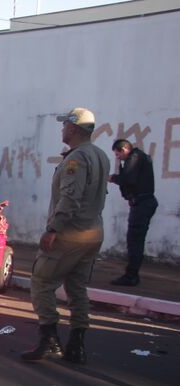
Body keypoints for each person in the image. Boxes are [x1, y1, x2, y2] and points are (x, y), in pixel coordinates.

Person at [23, 107, 109, 365]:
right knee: (77, 287)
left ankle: (49, 339)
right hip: (93, 231)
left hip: (71, 233)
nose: (62, 129)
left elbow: (71, 198)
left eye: (64, 126)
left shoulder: (76, 159)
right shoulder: (100, 155)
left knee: (41, 281)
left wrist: (53, 230)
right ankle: (76, 344)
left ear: (73, 128)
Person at [108, 139, 158, 286]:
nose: (118, 158)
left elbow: (129, 179)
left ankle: (131, 276)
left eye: (118, 155)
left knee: (134, 240)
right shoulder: (140, 157)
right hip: (144, 203)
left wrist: (113, 178)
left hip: (142, 203)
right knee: (136, 240)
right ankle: (132, 274)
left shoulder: (135, 158)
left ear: (124, 149)